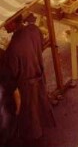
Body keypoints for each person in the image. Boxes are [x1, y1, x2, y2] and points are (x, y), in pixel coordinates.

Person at [3, 15, 55, 147]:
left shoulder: (13, 48)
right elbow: (41, 45)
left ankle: (36, 141)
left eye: (6, 23)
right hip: (39, 76)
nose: (4, 26)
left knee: (30, 118)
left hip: (26, 87)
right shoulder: (34, 29)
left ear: (13, 22)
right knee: (40, 107)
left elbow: (11, 74)